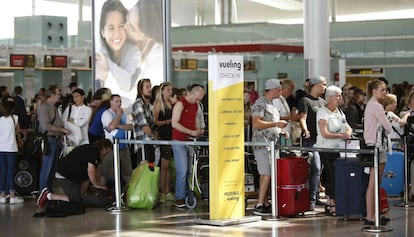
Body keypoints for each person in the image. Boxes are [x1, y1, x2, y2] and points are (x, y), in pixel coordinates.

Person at [36, 139, 112, 212]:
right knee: (75, 201)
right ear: (105, 148)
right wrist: (97, 185)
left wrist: (83, 192)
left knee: (79, 199)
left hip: (72, 176)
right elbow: (91, 172)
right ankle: (48, 196)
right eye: (108, 150)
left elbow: (88, 177)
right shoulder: (94, 151)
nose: (108, 154)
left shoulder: (91, 151)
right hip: (65, 175)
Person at [251, 79, 287, 215]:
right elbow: (256, 123)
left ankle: (265, 202)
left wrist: (281, 130)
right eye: (279, 89)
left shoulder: (271, 104)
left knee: (268, 174)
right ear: (272, 90)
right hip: (262, 143)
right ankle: (259, 204)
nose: (281, 92)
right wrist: (276, 125)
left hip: (271, 143)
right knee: (266, 174)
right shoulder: (261, 103)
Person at [315, 86, 352, 216]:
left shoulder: (339, 112)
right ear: (330, 98)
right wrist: (342, 136)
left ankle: (334, 202)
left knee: (337, 175)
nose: (340, 98)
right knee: (331, 175)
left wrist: (347, 132)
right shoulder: (322, 112)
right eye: (338, 96)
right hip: (327, 148)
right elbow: (324, 133)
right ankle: (332, 203)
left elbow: (347, 127)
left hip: (339, 149)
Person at [96, 0, 141, 108]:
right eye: (111, 28)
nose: (117, 33)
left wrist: (107, 63)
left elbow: (127, 84)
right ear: (102, 31)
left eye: (121, 26)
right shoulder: (98, 54)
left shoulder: (134, 51)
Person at [363, 79, 392, 226]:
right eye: (383, 90)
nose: (385, 92)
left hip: (374, 145)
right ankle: (370, 216)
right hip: (376, 146)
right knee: (373, 183)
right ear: (374, 91)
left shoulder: (371, 105)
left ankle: (374, 214)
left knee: (375, 183)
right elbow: (388, 126)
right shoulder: (376, 106)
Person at [171, 84, 205, 208]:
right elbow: (174, 123)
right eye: (196, 98)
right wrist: (191, 132)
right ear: (190, 93)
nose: (197, 101)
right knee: (182, 170)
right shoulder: (180, 104)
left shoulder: (196, 106)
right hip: (179, 140)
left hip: (191, 141)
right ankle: (179, 198)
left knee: (189, 171)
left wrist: (199, 131)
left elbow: (196, 122)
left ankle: (186, 194)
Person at [298, 75, 327, 210]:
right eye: (323, 84)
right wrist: (305, 130)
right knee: (314, 168)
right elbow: (302, 118)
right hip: (311, 141)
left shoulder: (322, 102)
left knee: (319, 169)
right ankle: (311, 199)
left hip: (322, 140)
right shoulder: (305, 101)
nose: (325, 87)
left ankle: (315, 196)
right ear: (316, 85)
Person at [37, 85, 70, 194]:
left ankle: (49, 192)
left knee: (52, 168)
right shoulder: (44, 107)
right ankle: (43, 192)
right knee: (47, 167)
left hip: (56, 139)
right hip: (48, 140)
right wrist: (62, 130)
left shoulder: (54, 107)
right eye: (58, 94)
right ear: (52, 95)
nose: (59, 96)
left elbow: (58, 122)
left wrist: (61, 133)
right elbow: (45, 126)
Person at [126, 0, 164, 87]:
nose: (124, 26)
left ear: (148, 36)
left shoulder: (157, 65)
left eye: (132, 28)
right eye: (127, 17)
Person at [101, 94, 133, 185]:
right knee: (106, 171)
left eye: (120, 101)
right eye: (116, 101)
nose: (119, 104)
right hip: (111, 146)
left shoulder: (124, 113)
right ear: (110, 102)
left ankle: (129, 193)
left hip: (124, 145)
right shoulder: (107, 114)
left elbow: (130, 126)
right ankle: (100, 190)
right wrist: (118, 116)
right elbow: (111, 127)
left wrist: (118, 126)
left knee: (127, 171)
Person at [153, 82, 175, 203]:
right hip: (163, 135)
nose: (169, 92)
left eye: (170, 89)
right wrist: (168, 121)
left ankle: (167, 190)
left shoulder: (171, 103)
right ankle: (163, 191)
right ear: (162, 91)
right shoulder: (158, 104)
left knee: (168, 164)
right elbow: (156, 122)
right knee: (164, 165)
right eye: (167, 90)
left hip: (171, 135)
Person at [0, 96, 24, 204]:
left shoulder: (0, 119)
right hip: (11, 148)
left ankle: (2, 195)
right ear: (12, 109)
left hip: (1, 148)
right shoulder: (15, 118)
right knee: (11, 172)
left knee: (3, 172)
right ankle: (13, 195)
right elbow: (18, 132)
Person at [131, 79, 157, 169]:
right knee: (144, 171)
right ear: (141, 90)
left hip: (150, 143)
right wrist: (155, 136)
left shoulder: (149, 106)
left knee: (151, 170)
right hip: (143, 142)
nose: (150, 89)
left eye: (150, 86)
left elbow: (153, 124)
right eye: (147, 87)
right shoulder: (138, 105)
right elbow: (145, 127)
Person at [273, 79, 296, 145]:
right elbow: (275, 118)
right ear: (284, 89)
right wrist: (289, 118)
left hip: (285, 133)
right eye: (290, 91)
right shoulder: (277, 100)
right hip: (281, 134)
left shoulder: (284, 99)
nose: (291, 93)